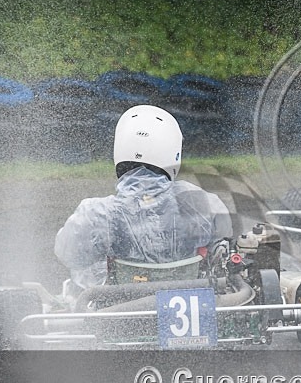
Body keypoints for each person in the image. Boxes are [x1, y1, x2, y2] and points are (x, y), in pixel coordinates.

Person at [55, 105, 232, 289]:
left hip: (120, 309)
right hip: (194, 306)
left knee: (75, 282)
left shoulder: (96, 214)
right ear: (173, 151)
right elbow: (222, 250)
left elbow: (67, 254)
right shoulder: (202, 204)